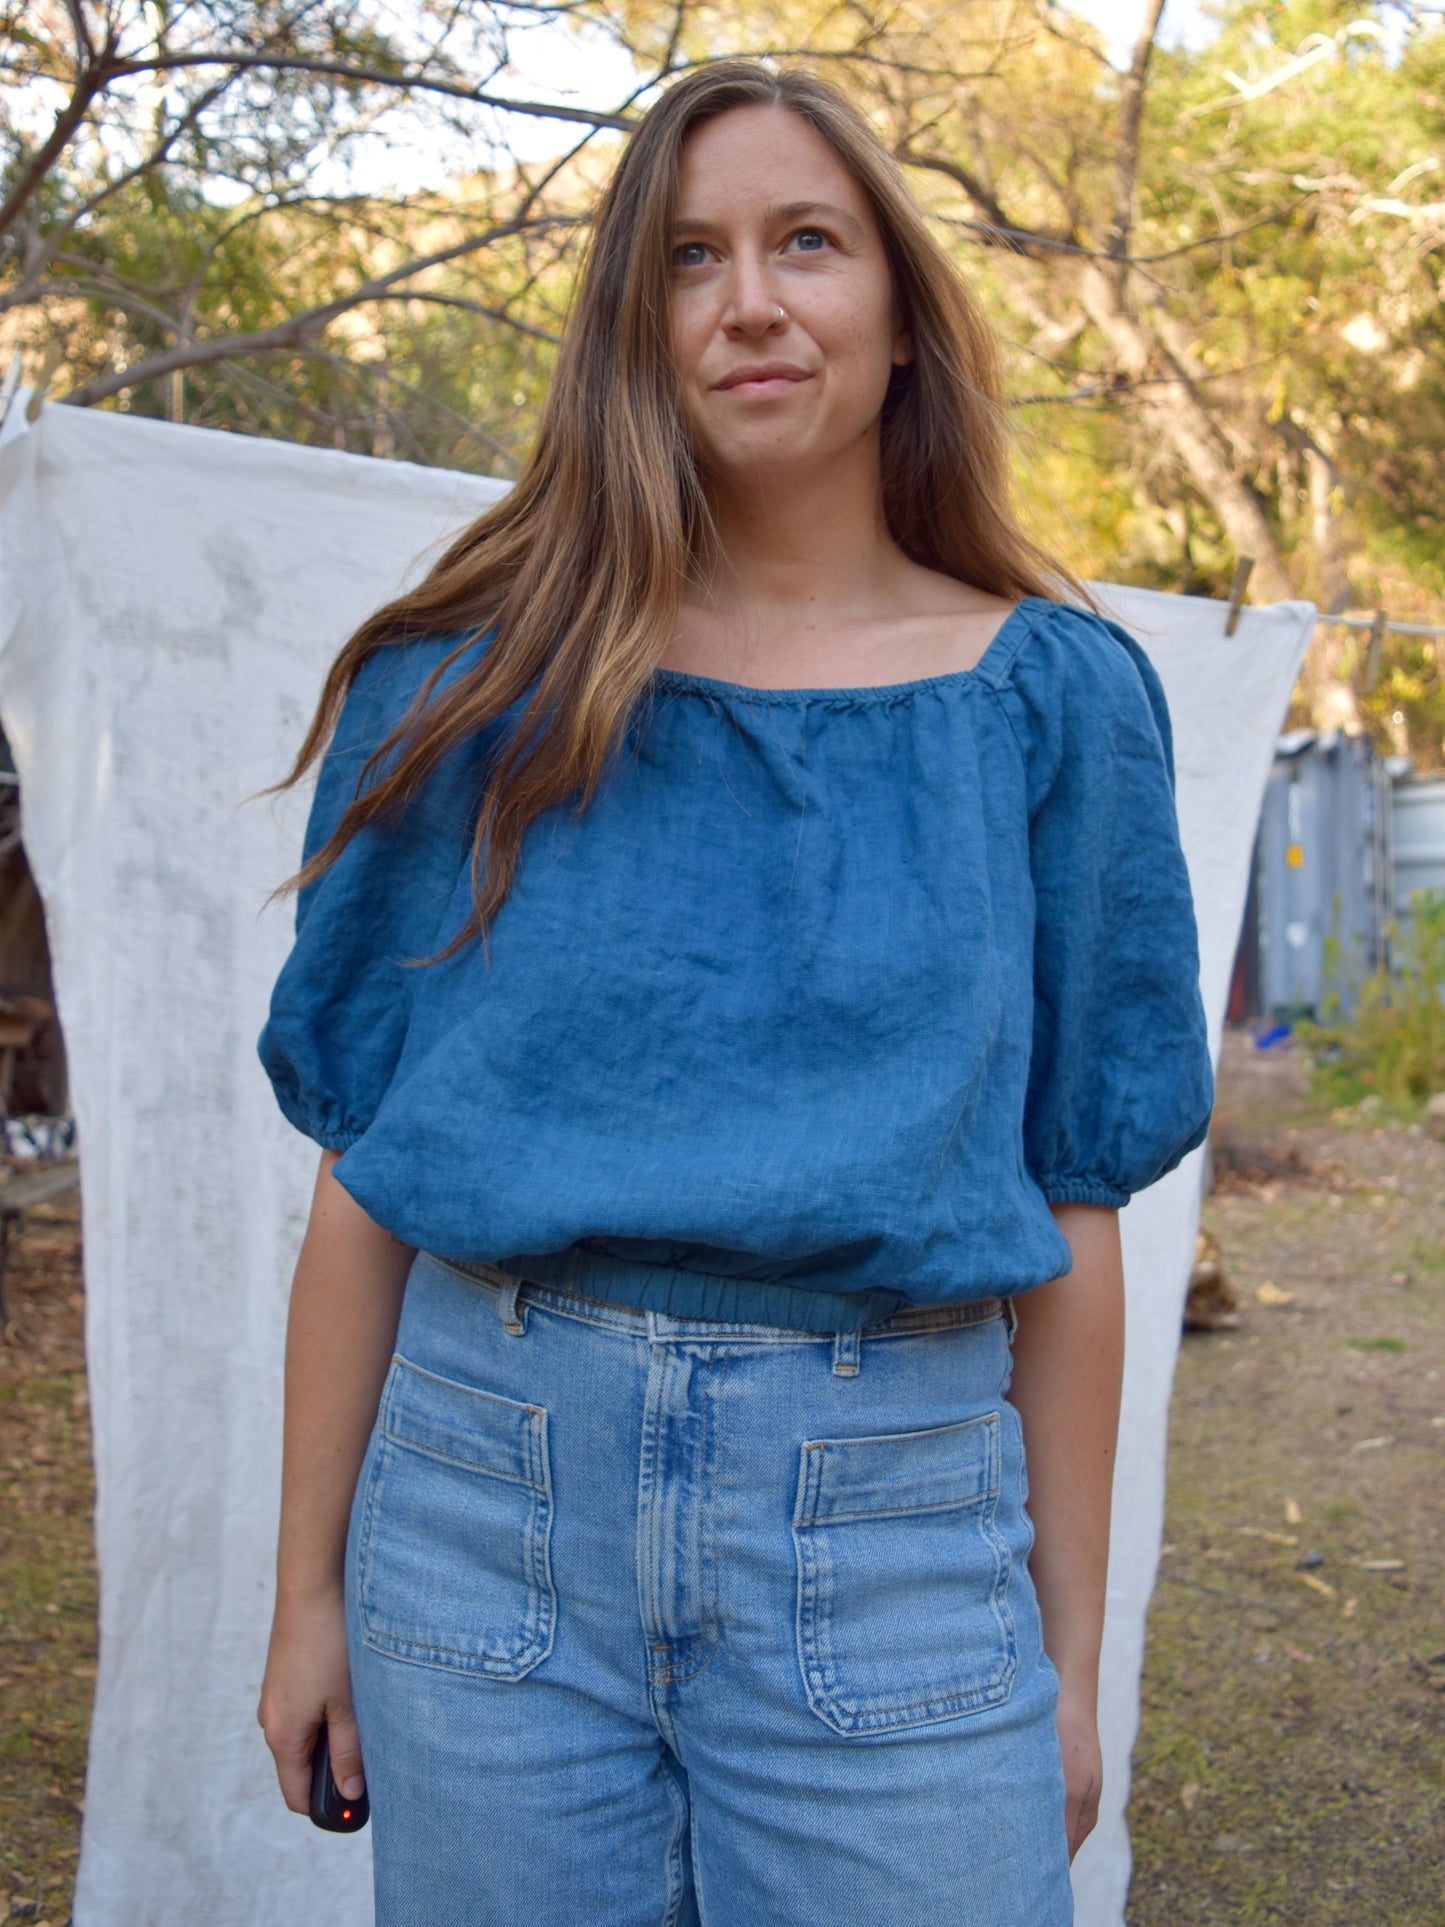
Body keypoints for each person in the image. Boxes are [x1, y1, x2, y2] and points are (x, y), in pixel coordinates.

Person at [255, 57, 1214, 1927]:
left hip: (893, 1519)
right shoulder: (477, 687)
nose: (750, 301)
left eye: (805, 243)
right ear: (634, 327)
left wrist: (1071, 1665)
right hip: (481, 1503)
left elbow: (1075, 1197)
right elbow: (371, 1164)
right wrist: (303, 1591)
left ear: (901, 317)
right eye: (687, 259)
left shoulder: (1051, 700)